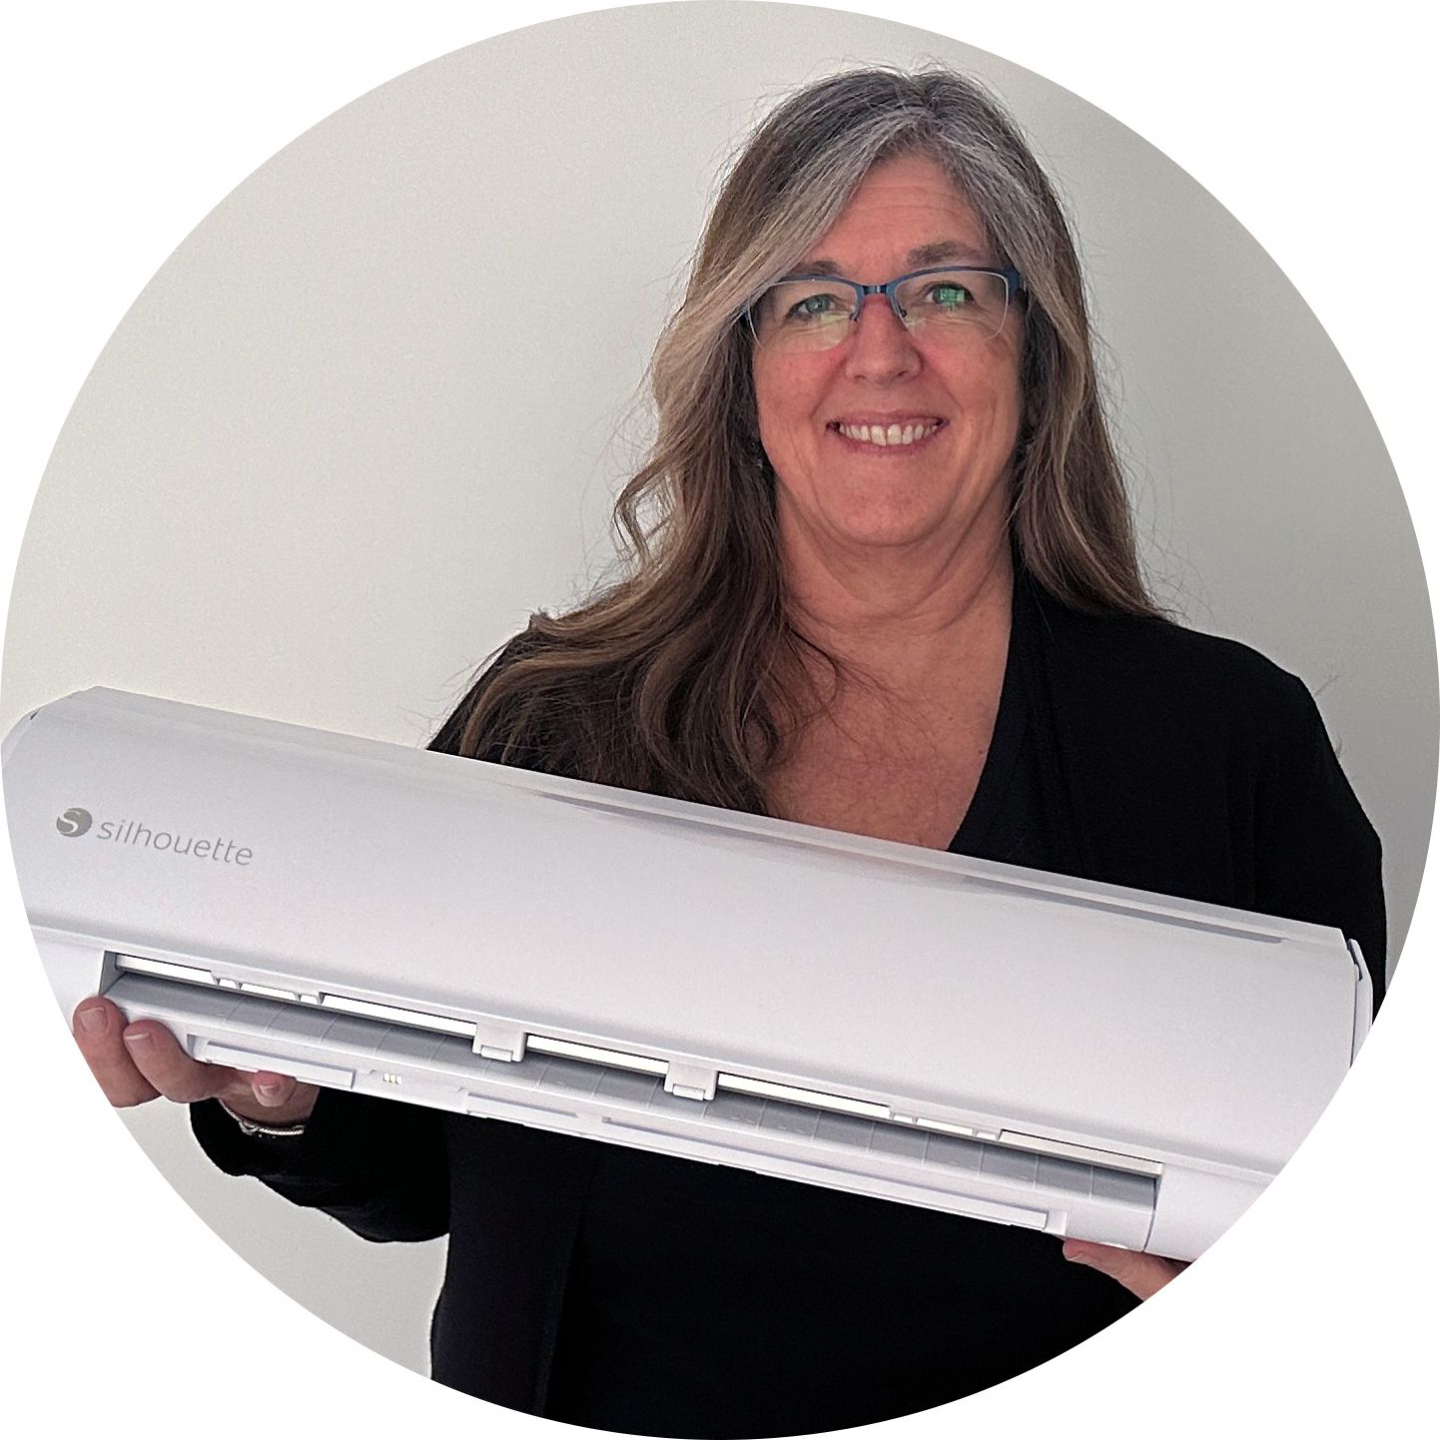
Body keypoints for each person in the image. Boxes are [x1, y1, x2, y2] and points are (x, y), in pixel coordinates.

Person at [71, 67, 1385, 1437]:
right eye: (813, 300)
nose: (881, 353)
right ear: (742, 369)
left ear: (1035, 352)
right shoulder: (554, 726)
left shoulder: (1233, 754)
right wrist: (280, 1095)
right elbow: (410, 1167)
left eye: (946, 291)